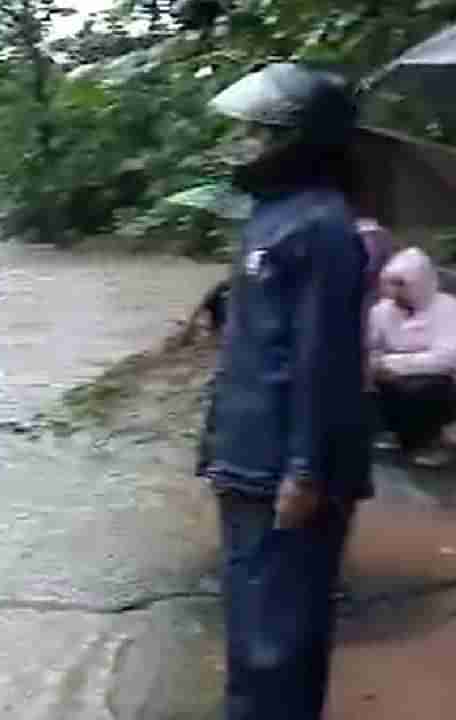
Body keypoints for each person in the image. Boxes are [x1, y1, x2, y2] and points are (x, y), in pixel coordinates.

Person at [196, 63, 372, 720]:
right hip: (245, 459)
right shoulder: (270, 218)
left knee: (281, 637)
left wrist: (304, 470)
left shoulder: (323, 228)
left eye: (257, 131)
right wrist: (214, 442)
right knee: (250, 629)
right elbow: (254, 345)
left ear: (294, 140)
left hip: (286, 471)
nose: (243, 142)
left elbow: (322, 361)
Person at [368, 247, 456, 466]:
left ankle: (433, 439)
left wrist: (392, 364)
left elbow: (446, 357)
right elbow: (369, 345)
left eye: (402, 285)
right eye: (392, 284)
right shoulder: (382, 311)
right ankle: (398, 432)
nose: (395, 291)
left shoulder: (447, 308)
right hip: (390, 375)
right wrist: (373, 363)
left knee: (424, 387)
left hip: (439, 378)